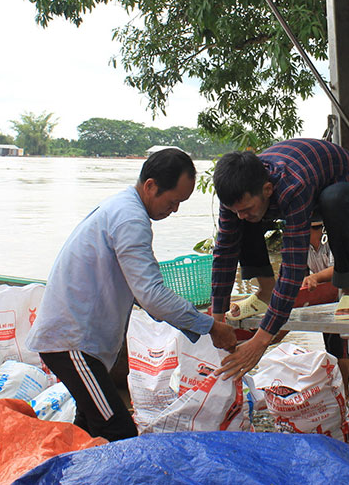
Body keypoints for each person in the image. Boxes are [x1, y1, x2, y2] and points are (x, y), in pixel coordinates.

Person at [26, 148, 238, 441]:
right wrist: (210, 327)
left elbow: (142, 293)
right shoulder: (131, 219)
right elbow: (150, 294)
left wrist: (193, 321)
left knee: (88, 427)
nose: (174, 210)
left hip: (78, 342)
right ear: (151, 186)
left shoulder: (122, 209)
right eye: (173, 201)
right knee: (119, 432)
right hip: (72, 342)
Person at [208, 138, 349, 381]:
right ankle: (265, 292)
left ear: (267, 190)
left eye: (246, 206)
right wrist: (217, 322)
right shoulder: (237, 197)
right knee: (243, 222)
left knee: (334, 199)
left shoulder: (293, 184)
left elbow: (293, 265)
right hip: (315, 191)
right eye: (235, 208)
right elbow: (224, 252)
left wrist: (261, 340)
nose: (240, 213)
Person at [300, 220, 349, 398]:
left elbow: (339, 268)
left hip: (341, 295)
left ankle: (345, 392)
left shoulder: (330, 239)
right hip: (322, 298)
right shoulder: (303, 245)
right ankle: (337, 390)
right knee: (329, 343)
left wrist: (314, 277)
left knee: (339, 344)